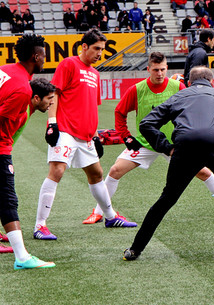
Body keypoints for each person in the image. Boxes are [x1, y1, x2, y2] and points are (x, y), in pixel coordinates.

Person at [123, 66, 214, 261]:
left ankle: (135, 249)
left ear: (188, 83)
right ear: (212, 82)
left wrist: (167, 147)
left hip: (185, 149)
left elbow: (147, 124)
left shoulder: (179, 96)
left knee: (167, 199)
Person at [34, 29, 137, 241]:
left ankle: (110, 217)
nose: (100, 53)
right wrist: (52, 123)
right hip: (65, 130)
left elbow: (91, 106)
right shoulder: (69, 64)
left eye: (102, 49)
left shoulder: (95, 74)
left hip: (86, 136)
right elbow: (54, 95)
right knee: (57, 171)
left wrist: (96, 135)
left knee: (96, 174)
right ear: (84, 47)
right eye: (96, 48)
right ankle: (40, 226)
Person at [0, 34, 56, 269]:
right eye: (43, 54)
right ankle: (22, 257)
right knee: (8, 200)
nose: (46, 58)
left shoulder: (5, 69)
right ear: (36, 56)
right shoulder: (23, 90)